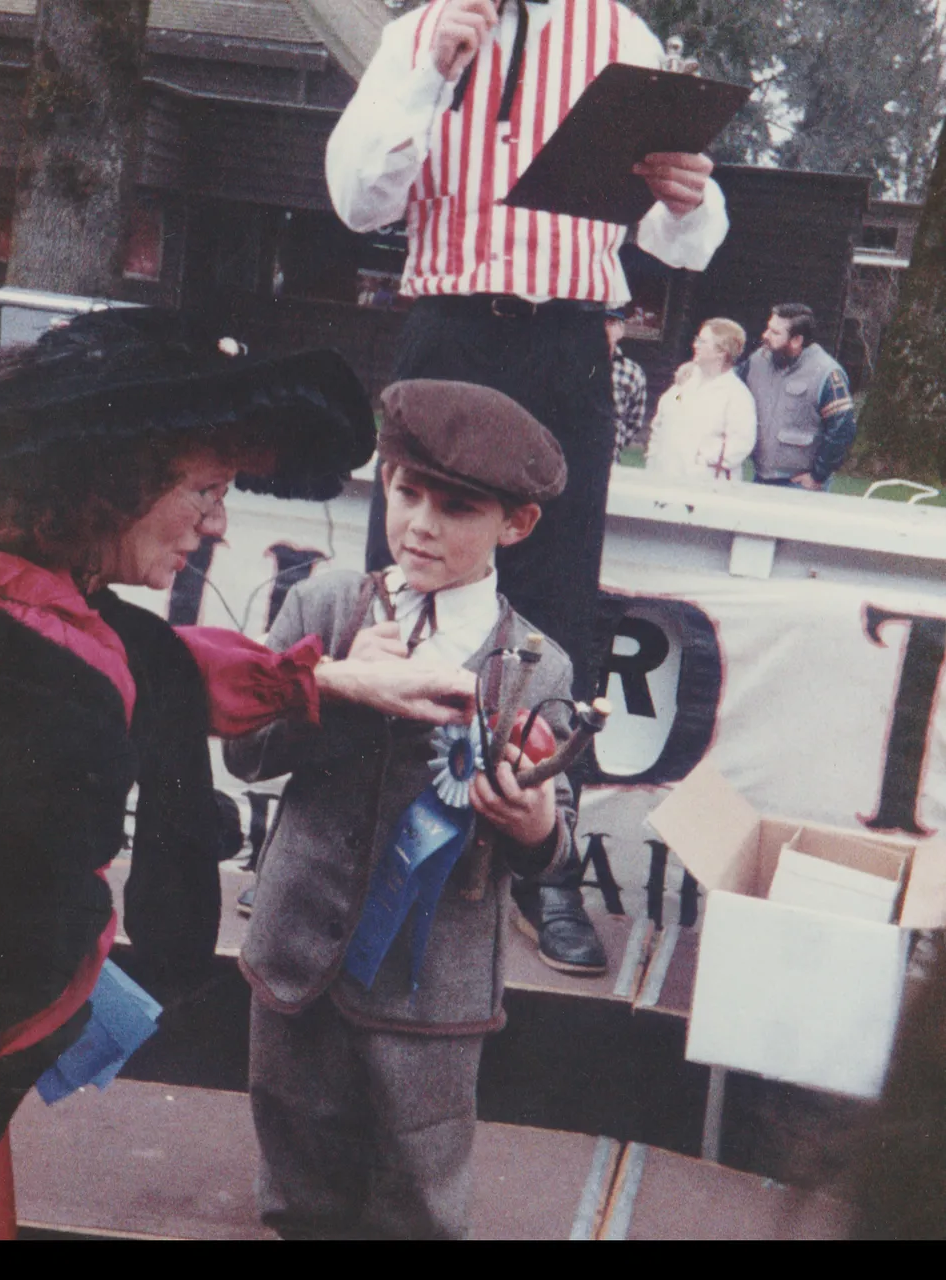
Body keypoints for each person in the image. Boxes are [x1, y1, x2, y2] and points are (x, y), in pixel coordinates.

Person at [0, 309, 476, 1238]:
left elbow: (153, 658)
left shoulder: (27, 587)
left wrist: (334, 677)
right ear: (110, 480)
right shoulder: (15, 662)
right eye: (205, 489)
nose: (217, 523)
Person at [325, 0, 730, 975]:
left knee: (551, 608)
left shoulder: (622, 36)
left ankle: (539, 867)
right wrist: (428, 70)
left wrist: (688, 197)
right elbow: (356, 200)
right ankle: (354, 842)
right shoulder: (419, 31)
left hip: (567, 342)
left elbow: (692, 244)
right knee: (407, 582)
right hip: (449, 323)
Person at [224, 379, 581, 1240]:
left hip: (433, 990)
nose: (420, 522)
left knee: (420, 1183)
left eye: (456, 507)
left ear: (515, 524)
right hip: (297, 949)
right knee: (296, 1166)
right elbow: (243, 749)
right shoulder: (325, 607)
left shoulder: (537, 665)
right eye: (405, 491)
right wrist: (334, 689)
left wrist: (530, 825)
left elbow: (554, 841)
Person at [740, 303, 857, 489]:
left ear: (796, 340)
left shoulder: (826, 373)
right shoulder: (757, 361)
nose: (765, 336)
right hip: (760, 477)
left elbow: (843, 427)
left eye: (775, 333)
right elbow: (730, 386)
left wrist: (818, 475)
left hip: (798, 486)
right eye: (768, 329)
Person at [644, 318, 756, 481]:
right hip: (663, 480)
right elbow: (661, 420)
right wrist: (653, 458)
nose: (695, 345)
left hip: (706, 487)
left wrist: (700, 458)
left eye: (702, 342)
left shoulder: (737, 396)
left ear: (721, 352)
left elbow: (739, 445)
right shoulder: (682, 385)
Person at [605, 306, 647, 461]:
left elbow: (634, 421)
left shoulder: (632, 372)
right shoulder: (575, 365)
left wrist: (617, 441)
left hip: (609, 457)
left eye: (611, 323)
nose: (604, 328)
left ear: (621, 330)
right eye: (599, 322)